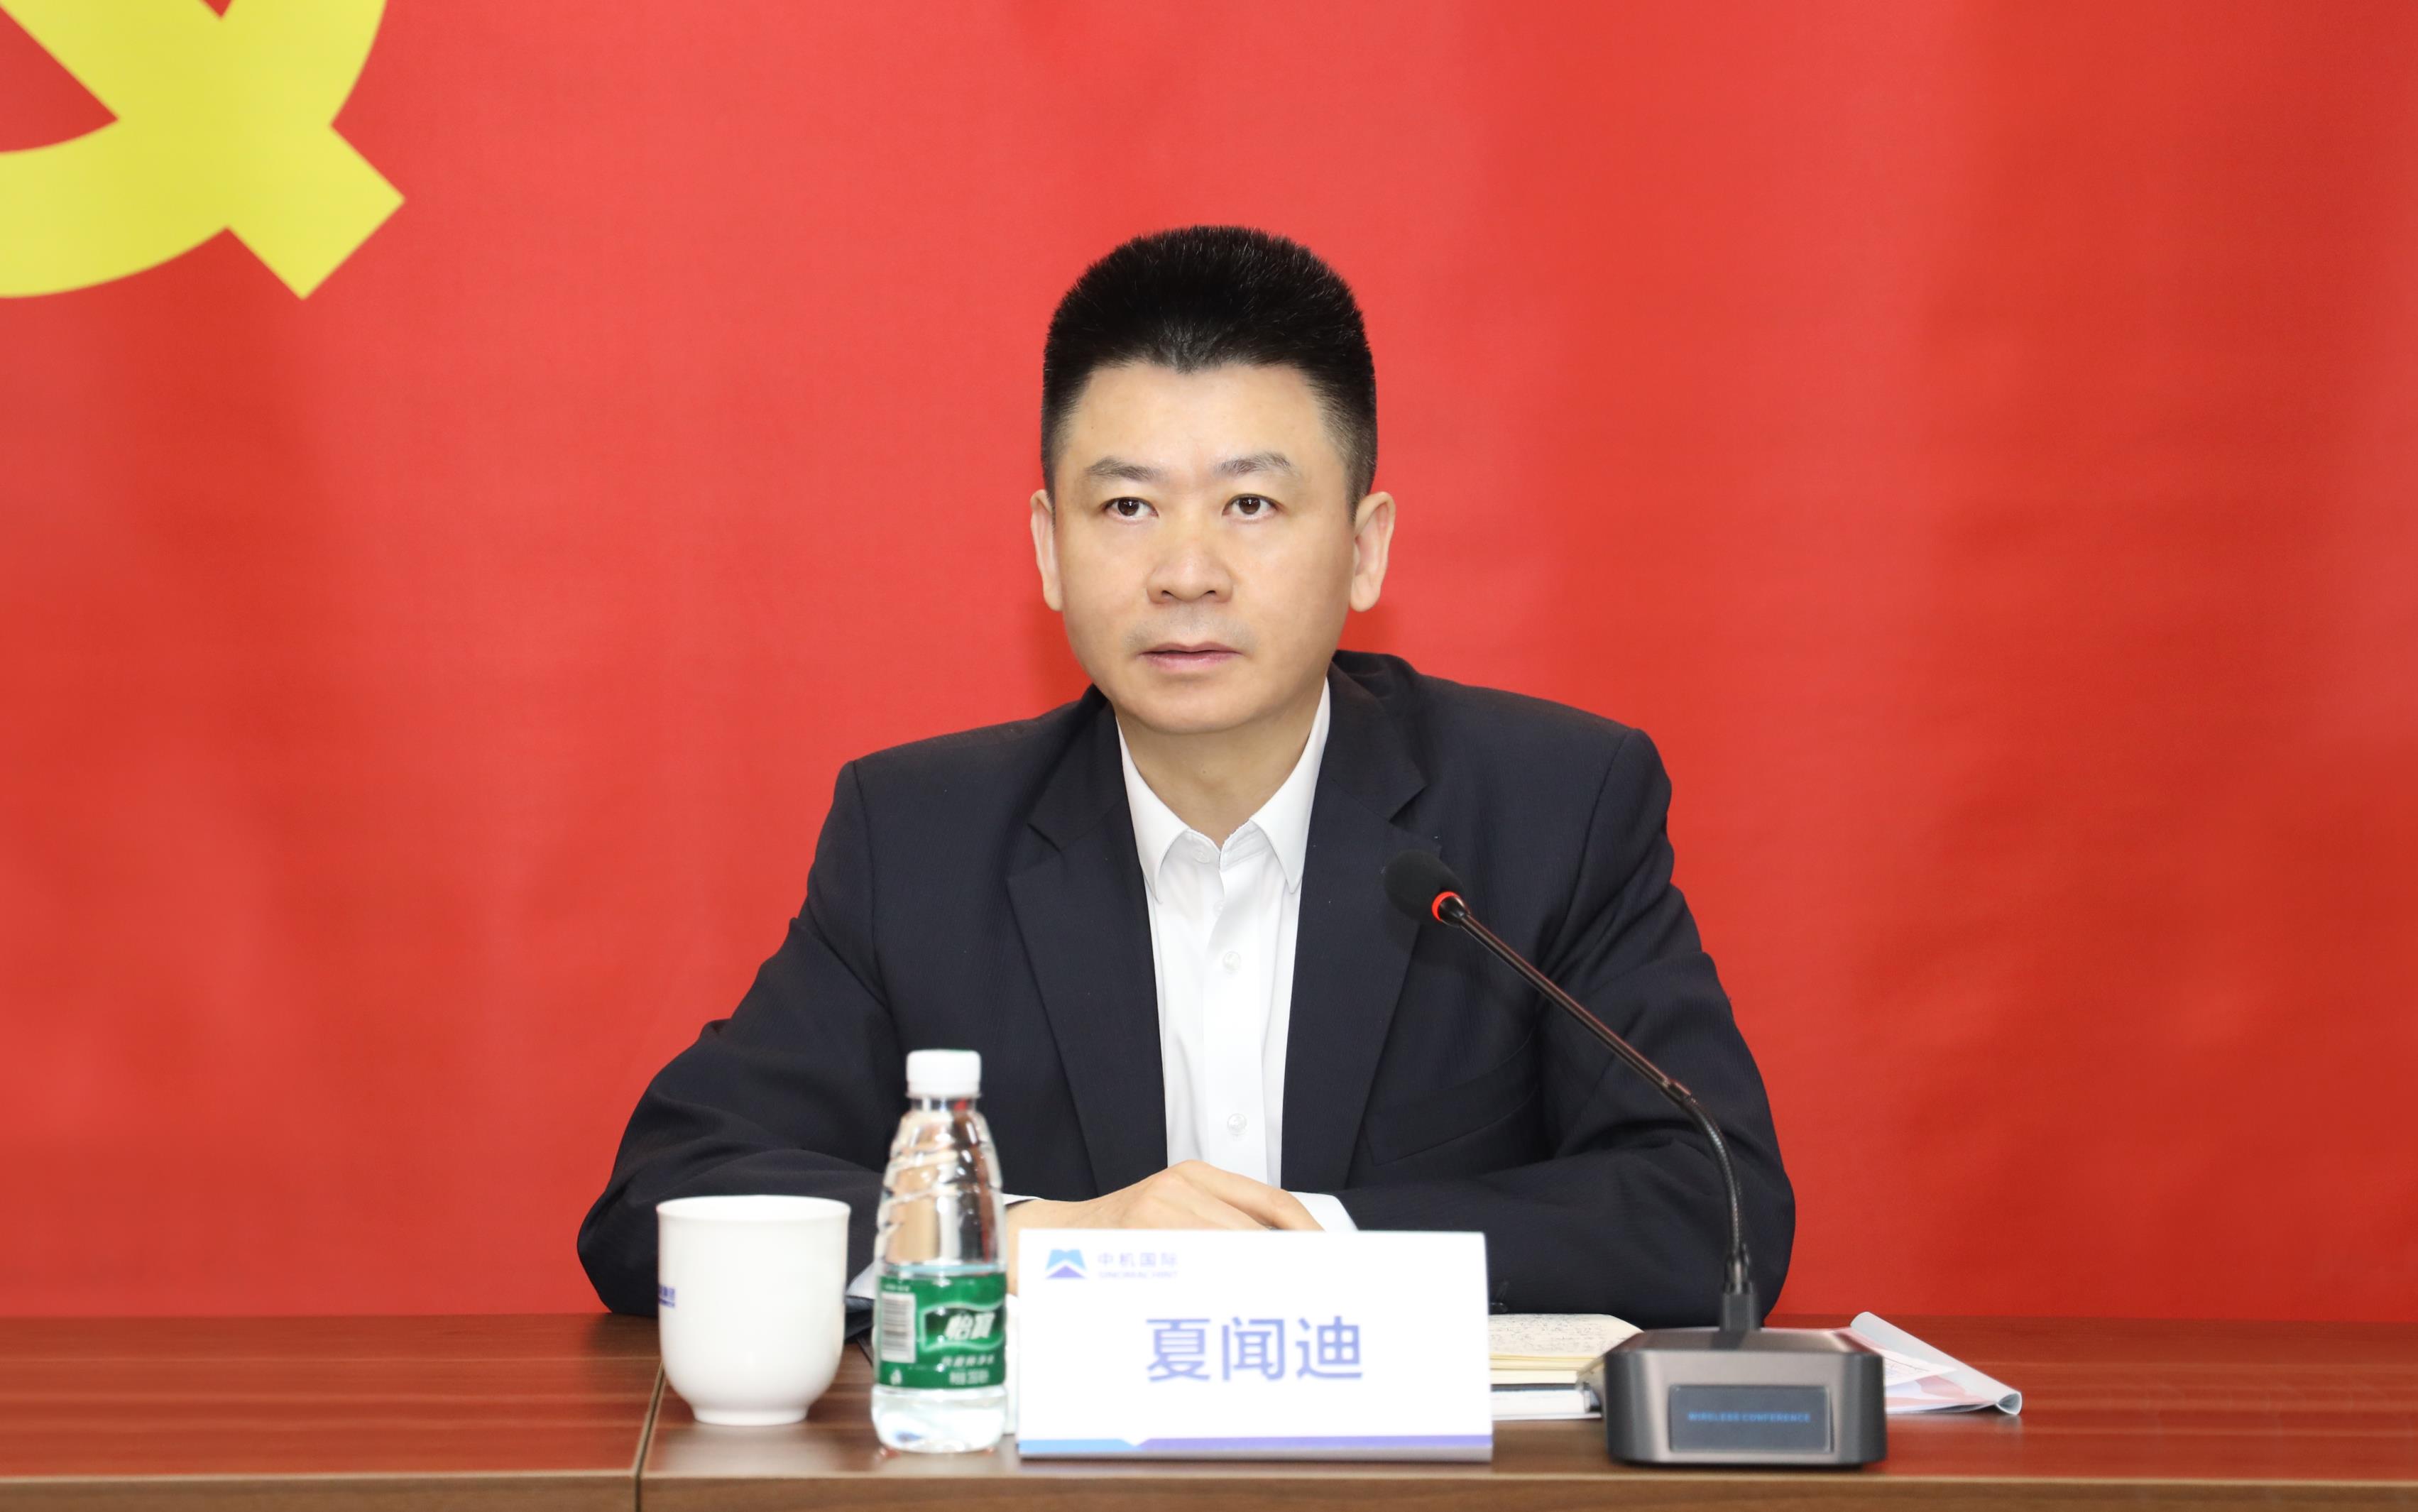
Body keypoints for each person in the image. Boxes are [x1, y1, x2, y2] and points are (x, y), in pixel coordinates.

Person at [577, 226, 1793, 1325]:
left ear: (1363, 549)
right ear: (1049, 550)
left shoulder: (1548, 808)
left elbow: (1711, 1201)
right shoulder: (919, 839)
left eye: (1251, 503)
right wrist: (1041, 1240)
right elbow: (668, 1192)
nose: (1186, 571)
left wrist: (1315, 1248)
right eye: (1126, 506)